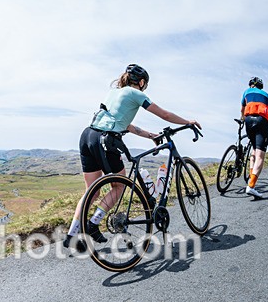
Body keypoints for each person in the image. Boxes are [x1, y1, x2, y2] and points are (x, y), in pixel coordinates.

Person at [63, 64, 201, 251]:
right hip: (106, 139)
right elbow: (165, 114)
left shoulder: (114, 93)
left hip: (88, 136)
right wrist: (188, 122)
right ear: (142, 82)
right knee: (119, 185)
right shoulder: (137, 94)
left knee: (91, 192)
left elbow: (126, 125)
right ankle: (93, 224)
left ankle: (72, 235)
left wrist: (151, 136)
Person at [240, 77, 268, 199]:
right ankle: (251, 186)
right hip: (261, 121)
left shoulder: (246, 92)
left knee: (254, 150)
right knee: (260, 155)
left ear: (251, 85)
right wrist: (264, 125)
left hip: (248, 121)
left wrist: (243, 119)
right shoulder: (267, 96)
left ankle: (250, 178)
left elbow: (242, 110)